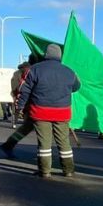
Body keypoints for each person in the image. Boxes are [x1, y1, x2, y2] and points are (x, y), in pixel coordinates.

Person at [16, 44, 80, 178]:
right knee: (63, 142)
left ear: (46, 54)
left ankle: (45, 171)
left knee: (44, 142)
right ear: (60, 56)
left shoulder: (35, 69)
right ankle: (68, 170)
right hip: (62, 111)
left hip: (41, 111)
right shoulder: (69, 71)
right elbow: (76, 86)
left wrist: (20, 106)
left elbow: (25, 90)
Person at [0, 61, 37, 158]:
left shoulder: (27, 72)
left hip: (29, 102)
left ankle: (9, 144)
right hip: (31, 102)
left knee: (27, 127)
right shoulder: (28, 73)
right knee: (32, 127)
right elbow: (19, 87)